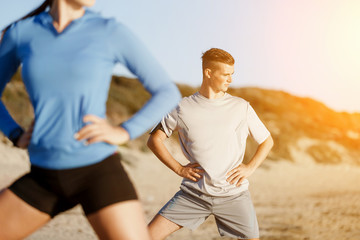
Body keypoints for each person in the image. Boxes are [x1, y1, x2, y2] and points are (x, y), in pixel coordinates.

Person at [0, 0, 181, 239]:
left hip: (98, 173)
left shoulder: (108, 30)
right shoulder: (22, 32)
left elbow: (167, 91)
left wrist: (124, 131)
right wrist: (14, 133)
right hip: (44, 176)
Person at [147, 48, 274, 240]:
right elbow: (154, 139)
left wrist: (249, 168)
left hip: (234, 196)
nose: (230, 79)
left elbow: (267, 141)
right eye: (225, 74)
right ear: (208, 73)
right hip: (193, 196)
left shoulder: (241, 107)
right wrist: (179, 169)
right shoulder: (181, 107)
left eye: (232, 74)